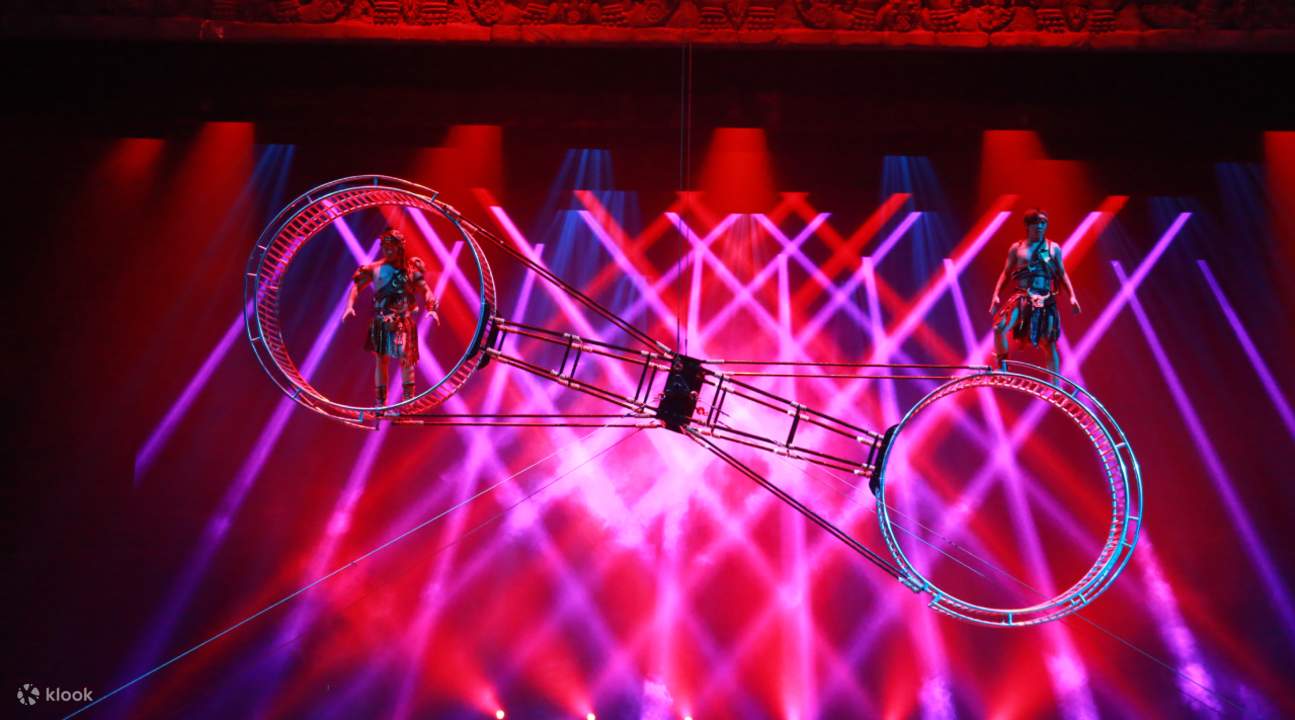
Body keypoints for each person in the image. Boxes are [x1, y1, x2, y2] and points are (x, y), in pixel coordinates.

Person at [343, 228, 439, 406]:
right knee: (381, 358)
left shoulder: (410, 269)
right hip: (381, 319)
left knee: (405, 356)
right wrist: (349, 306)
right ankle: (381, 402)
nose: (387, 251)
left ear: (399, 247)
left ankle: (408, 400)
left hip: (403, 319)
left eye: (391, 247)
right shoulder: (375, 268)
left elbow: (426, 290)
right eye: (384, 247)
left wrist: (431, 308)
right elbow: (357, 286)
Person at [989, 209, 1081, 373]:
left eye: (1043, 223)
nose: (1039, 226)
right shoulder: (1017, 248)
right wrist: (996, 295)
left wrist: (1072, 297)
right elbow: (1006, 273)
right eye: (1036, 223)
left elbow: (1061, 273)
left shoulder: (1053, 248)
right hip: (1023, 296)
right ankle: (1002, 366)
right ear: (1027, 225)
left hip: (1045, 298)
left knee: (1049, 342)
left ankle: (1055, 386)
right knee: (999, 327)